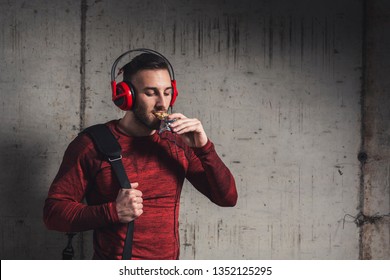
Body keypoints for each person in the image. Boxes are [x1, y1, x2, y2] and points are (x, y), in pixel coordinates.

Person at [43, 50, 238, 260]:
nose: (163, 103)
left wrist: (204, 148)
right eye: (151, 92)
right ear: (126, 96)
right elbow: (53, 214)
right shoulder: (91, 145)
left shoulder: (177, 143)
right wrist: (112, 212)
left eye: (167, 92)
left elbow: (227, 198)